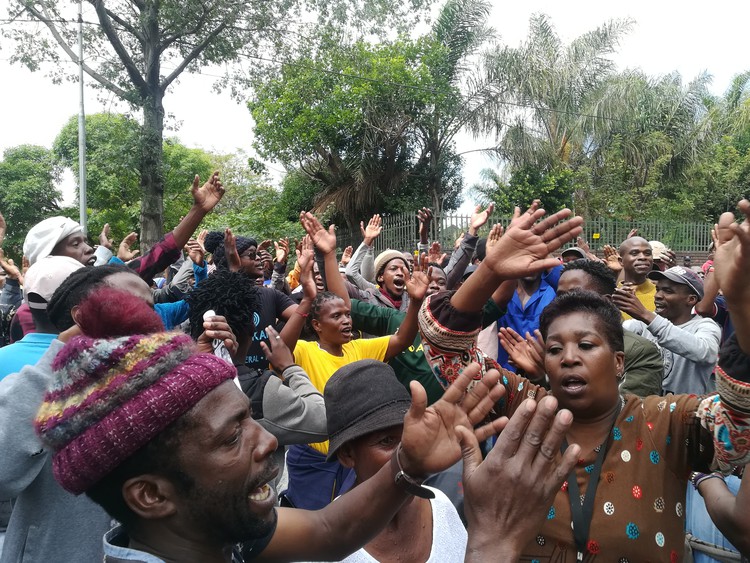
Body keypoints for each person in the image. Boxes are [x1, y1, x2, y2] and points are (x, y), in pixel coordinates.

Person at [33, 297, 511, 563]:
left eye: (249, 419)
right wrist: (495, 537)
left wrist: (407, 464)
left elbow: (330, 528)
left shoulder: (214, 528)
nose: (268, 441)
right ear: (151, 496)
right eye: (232, 436)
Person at [281, 224, 429, 509]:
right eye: (337, 316)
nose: (347, 321)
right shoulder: (303, 351)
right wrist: (308, 299)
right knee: (315, 528)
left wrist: (415, 304)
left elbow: (402, 338)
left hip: (352, 457)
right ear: (316, 325)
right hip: (314, 460)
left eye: (348, 315)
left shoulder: (360, 348)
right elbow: (280, 350)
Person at [312, 359, 468, 562]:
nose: (411, 450)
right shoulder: (322, 548)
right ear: (347, 454)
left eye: (411, 435)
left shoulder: (440, 505)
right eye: (387, 441)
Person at [500, 258, 664, 397]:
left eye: (576, 296)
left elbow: (623, 419)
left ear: (606, 301)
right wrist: (536, 375)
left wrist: (545, 375)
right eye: (560, 296)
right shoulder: (549, 347)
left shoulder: (640, 353)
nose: (564, 304)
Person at [614, 265, 721, 395]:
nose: (658, 295)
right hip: (647, 411)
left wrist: (646, 315)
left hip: (682, 413)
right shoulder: (643, 323)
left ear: (691, 299)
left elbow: (705, 352)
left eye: (668, 291)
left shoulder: (705, 326)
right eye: (657, 289)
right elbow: (614, 333)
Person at [204, 229, 298, 371]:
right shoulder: (212, 299)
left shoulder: (270, 295)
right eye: (251, 255)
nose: (258, 258)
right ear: (231, 258)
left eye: (258, 254)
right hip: (230, 383)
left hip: (266, 382)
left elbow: (303, 316)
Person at [616, 236, 656, 320]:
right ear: (621, 261)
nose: (643, 257)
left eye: (648, 253)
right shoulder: (612, 296)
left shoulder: (661, 295)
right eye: (634, 253)